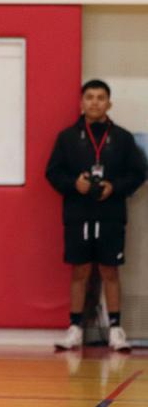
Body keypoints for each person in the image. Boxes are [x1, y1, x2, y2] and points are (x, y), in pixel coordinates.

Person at [46, 79, 147, 352]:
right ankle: (75, 329)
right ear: (81, 102)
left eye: (101, 97)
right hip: (78, 214)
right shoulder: (67, 138)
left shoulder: (123, 138)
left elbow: (139, 173)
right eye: (89, 97)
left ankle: (116, 329)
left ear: (109, 103)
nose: (94, 102)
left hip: (111, 213)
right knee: (80, 271)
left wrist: (115, 187)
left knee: (109, 270)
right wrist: (73, 184)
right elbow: (53, 173)